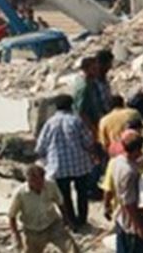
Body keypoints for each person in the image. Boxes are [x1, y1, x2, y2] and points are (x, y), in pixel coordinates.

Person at [35, 95, 94, 231]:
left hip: (58, 166)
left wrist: (46, 157)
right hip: (80, 164)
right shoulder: (76, 121)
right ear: (71, 106)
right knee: (82, 193)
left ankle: (71, 222)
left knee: (64, 196)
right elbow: (88, 142)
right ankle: (82, 220)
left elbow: (40, 147)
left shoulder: (50, 123)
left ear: (56, 107)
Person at [9, 164, 82, 253]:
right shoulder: (20, 193)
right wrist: (16, 234)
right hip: (33, 230)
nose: (40, 184)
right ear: (29, 181)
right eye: (36, 182)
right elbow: (11, 215)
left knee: (71, 248)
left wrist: (66, 219)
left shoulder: (50, 185)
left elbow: (60, 202)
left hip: (52, 224)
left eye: (41, 181)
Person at [109, 133, 143, 253]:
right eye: (140, 149)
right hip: (131, 222)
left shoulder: (117, 161)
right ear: (135, 150)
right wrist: (139, 226)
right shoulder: (130, 172)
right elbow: (129, 202)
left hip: (121, 217)